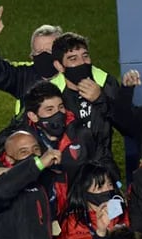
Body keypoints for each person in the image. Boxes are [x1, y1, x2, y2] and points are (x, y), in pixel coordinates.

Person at [48, 32, 124, 172]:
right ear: (59, 66)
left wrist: (100, 100)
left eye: (85, 56)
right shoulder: (50, 93)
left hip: (103, 169)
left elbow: (126, 126)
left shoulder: (106, 84)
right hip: (65, 171)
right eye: (73, 58)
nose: (82, 63)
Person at [19, 81, 97, 214]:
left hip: (76, 218)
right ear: (33, 116)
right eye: (49, 109)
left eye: (60, 107)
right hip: (40, 221)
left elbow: (100, 169)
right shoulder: (22, 145)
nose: (58, 114)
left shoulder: (82, 135)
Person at [0, 3, 61, 104]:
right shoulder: (24, 76)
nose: (44, 55)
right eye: (38, 52)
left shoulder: (75, 74)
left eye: (49, 51)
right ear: (31, 56)